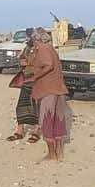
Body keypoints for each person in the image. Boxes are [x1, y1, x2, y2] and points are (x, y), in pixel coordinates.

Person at [29, 27, 71, 161]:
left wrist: (34, 77)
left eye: (33, 40)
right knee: (58, 121)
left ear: (36, 39)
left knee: (47, 121)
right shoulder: (51, 48)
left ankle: (52, 154)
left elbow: (48, 65)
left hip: (48, 90)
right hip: (58, 88)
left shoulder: (42, 48)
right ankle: (59, 152)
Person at [6, 28, 41, 144]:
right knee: (21, 106)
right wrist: (22, 62)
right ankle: (19, 131)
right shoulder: (27, 48)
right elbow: (21, 58)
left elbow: (44, 64)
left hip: (37, 81)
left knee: (36, 106)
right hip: (27, 80)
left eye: (29, 36)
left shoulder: (40, 48)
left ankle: (36, 131)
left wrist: (29, 63)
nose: (27, 38)